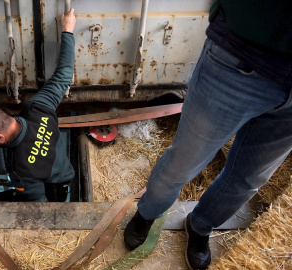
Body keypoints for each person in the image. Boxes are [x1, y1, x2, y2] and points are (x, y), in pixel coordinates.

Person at [123, 1, 292, 270]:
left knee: (249, 179)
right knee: (184, 161)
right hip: (242, 57)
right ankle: (147, 213)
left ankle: (201, 225)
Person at [0, 9, 77, 202]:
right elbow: (64, 75)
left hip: (53, 189)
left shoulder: (19, 168)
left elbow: (36, 205)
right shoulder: (38, 107)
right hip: (64, 173)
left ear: (0, 137)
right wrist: (67, 30)